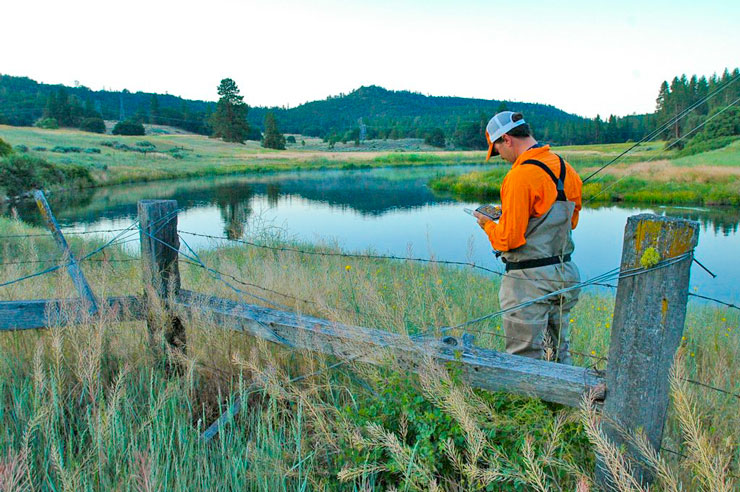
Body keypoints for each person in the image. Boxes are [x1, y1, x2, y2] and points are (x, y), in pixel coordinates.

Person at [473, 111, 582, 364]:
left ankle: (529, 403)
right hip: (565, 274)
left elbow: (509, 240)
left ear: (507, 139)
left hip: (527, 281)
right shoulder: (565, 168)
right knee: (557, 352)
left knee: (525, 360)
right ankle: (562, 403)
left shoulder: (519, 175)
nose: (499, 155)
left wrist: (487, 224)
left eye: (497, 148)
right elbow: (571, 221)